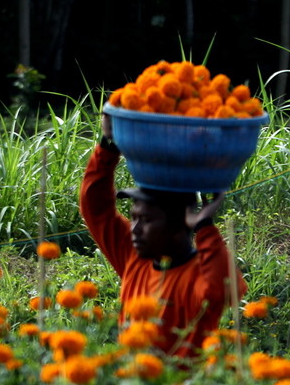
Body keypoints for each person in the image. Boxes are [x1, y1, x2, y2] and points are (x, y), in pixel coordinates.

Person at [79, 113, 247, 357]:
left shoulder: (199, 272)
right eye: (134, 217)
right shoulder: (134, 257)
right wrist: (108, 145)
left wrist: (205, 227)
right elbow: (96, 208)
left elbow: (224, 290)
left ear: (179, 223)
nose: (134, 228)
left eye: (146, 220)